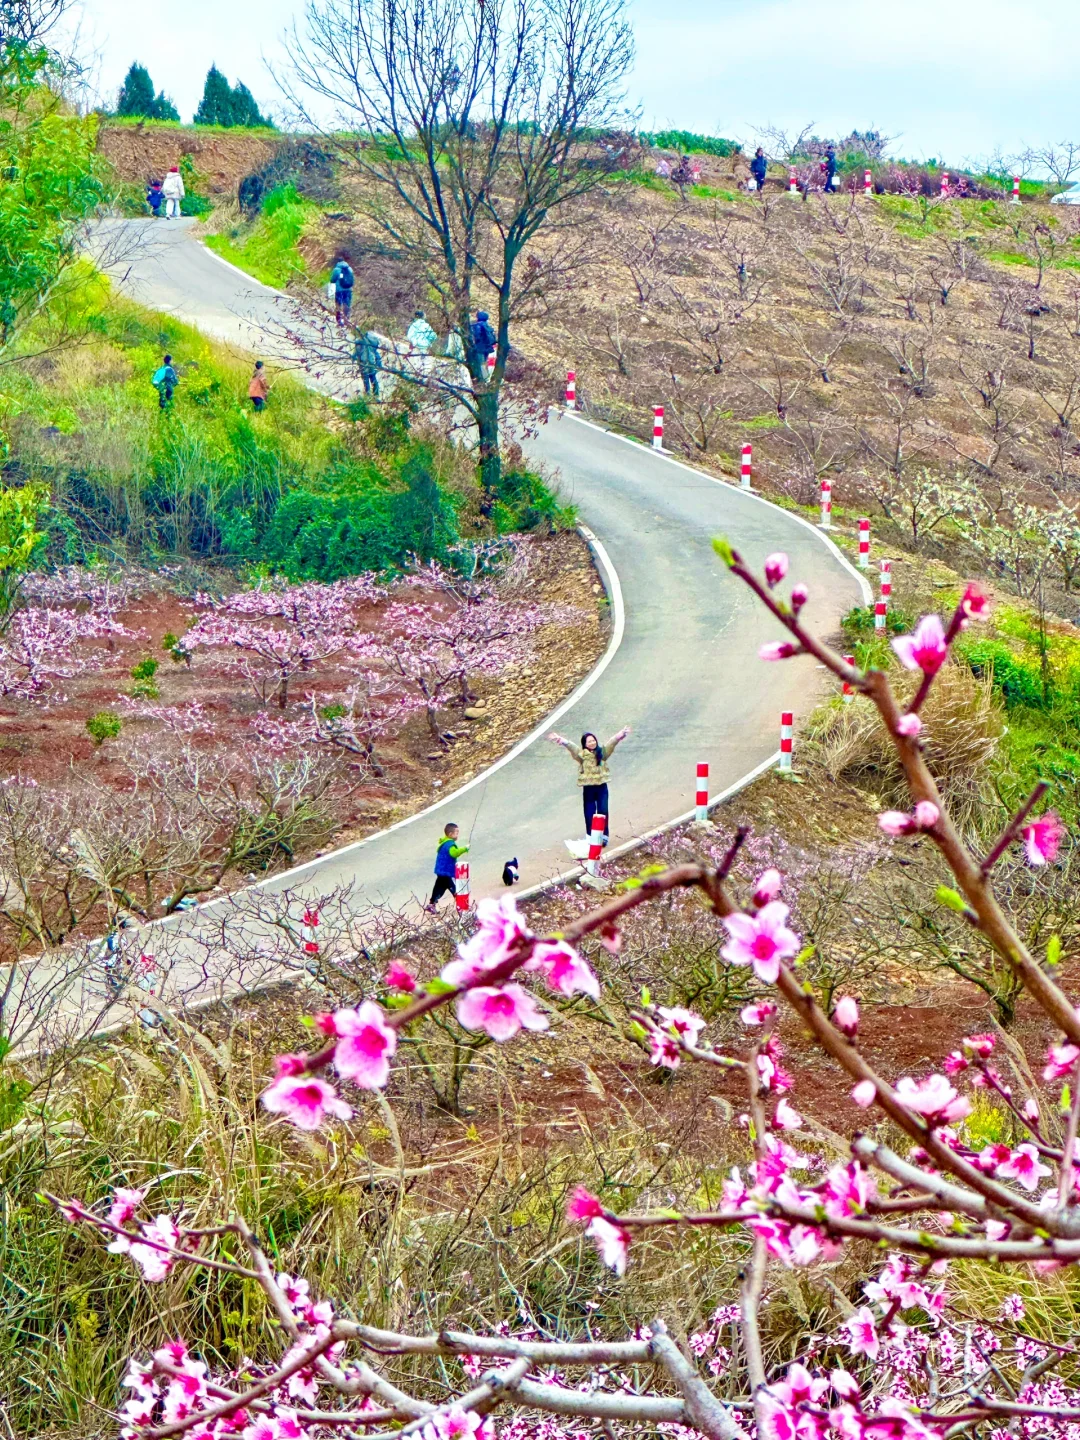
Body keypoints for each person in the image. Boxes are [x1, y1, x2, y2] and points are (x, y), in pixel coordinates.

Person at [547, 727, 631, 846]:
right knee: (589, 813)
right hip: (588, 788)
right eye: (589, 741)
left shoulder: (602, 753)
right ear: (585, 744)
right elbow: (572, 747)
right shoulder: (581, 755)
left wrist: (620, 735)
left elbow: (611, 743)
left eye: (593, 740)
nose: (592, 743)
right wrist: (560, 740)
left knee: (603, 811)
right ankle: (591, 836)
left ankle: (604, 836)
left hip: (602, 786)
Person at [427, 822, 469, 910]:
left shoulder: (444, 842)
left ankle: (432, 904)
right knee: (455, 888)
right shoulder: (450, 844)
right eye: (456, 833)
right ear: (450, 834)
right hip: (447, 871)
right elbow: (454, 853)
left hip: (441, 870)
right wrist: (465, 848)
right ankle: (461, 906)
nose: (458, 835)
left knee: (439, 888)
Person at [354, 329, 381, 396]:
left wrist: (353, 357)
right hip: (372, 363)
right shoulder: (372, 342)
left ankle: (368, 394)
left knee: (366, 380)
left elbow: (357, 352)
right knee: (373, 378)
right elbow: (376, 354)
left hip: (363, 363)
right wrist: (379, 364)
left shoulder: (360, 342)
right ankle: (376, 394)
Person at [330, 256, 355, 327]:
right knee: (347, 305)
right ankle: (346, 321)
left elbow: (332, 280)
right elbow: (352, 279)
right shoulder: (350, 269)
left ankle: (339, 321)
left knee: (338, 304)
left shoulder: (336, 269)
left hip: (339, 290)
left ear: (337, 262)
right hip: (348, 290)